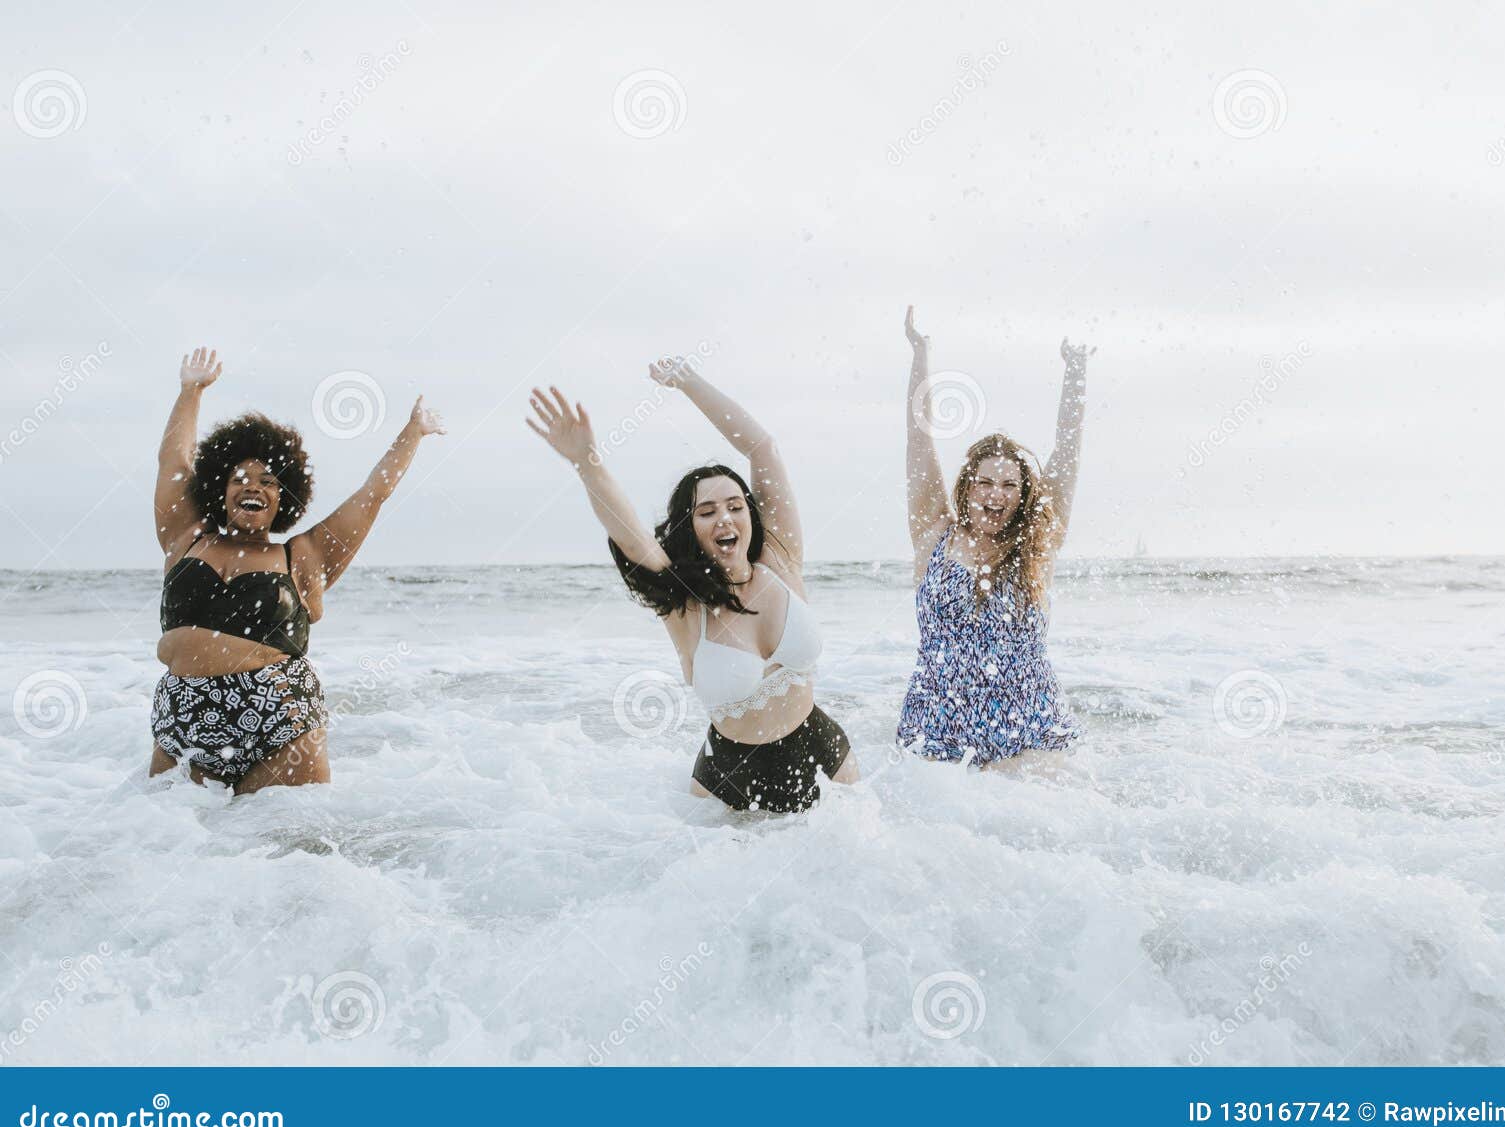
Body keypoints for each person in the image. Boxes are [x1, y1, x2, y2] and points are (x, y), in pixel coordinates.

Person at [524, 358, 859, 812]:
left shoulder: (781, 560)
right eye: (707, 512)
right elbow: (632, 538)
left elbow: (763, 448)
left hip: (825, 759)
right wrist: (588, 463)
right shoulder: (684, 605)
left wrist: (687, 381)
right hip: (732, 783)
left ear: (749, 515)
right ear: (693, 530)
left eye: (735, 505)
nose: (725, 517)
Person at [149, 347, 445, 793]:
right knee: (166, 846)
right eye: (240, 479)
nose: (253, 487)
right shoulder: (185, 536)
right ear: (219, 490)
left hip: (280, 722)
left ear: (284, 497)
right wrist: (191, 390)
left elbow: (371, 496)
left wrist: (413, 433)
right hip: (183, 719)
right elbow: (173, 463)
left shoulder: (303, 554)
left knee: (285, 851)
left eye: (268, 481)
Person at [896, 307, 1087, 770]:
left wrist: (1076, 374)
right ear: (966, 487)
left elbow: (1065, 452)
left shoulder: (1039, 544)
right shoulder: (934, 534)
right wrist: (920, 356)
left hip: (1029, 734)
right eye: (985, 483)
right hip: (938, 731)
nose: (995, 495)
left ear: (1023, 496)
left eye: (1008, 486)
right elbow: (918, 440)